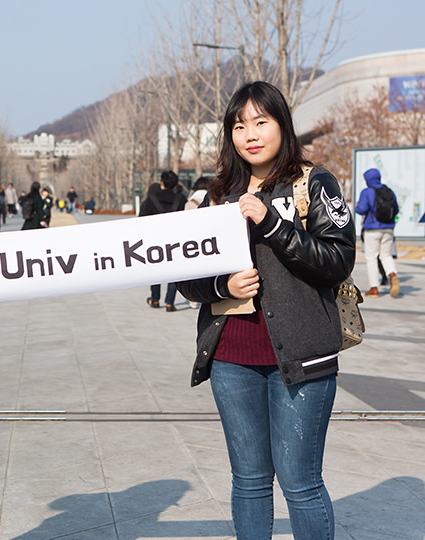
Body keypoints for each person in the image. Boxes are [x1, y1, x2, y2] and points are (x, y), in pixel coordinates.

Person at [177, 81, 355, 540]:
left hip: (302, 358)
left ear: (282, 125)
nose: (250, 134)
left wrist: (272, 222)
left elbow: (338, 260)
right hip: (231, 360)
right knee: (250, 482)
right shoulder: (214, 194)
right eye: (239, 126)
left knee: (300, 483)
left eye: (261, 122)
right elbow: (185, 277)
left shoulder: (313, 183)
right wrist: (223, 284)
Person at [140, 170, 186, 312]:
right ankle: (169, 303)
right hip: (175, 241)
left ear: (162, 183)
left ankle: (155, 299)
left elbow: (141, 220)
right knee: (174, 272)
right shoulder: (181, 200)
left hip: (155, 240)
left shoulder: (151, 199)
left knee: (155, 269)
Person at [355, 167, 400, 297]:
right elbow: (396, 209)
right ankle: (392, 274)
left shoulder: (367, 192)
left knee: (372, 257)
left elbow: (361, 210)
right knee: (386, 255)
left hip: (372, 229)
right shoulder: (389, 191)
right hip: (389, 228)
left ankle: (374, 288)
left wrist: (358, 206)